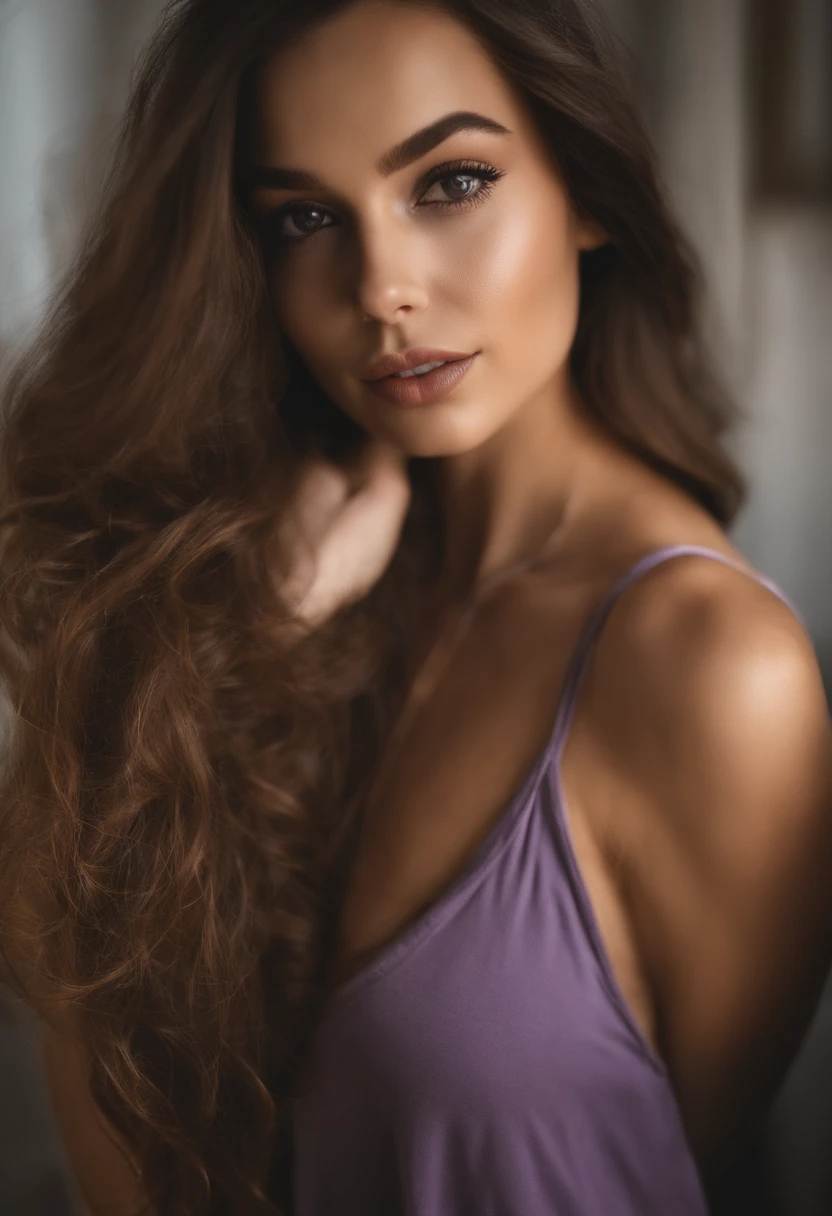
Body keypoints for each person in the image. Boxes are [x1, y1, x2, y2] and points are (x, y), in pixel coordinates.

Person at [0, 0, 830, 1212]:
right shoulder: (284, 585)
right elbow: (133, 1163)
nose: (382, 286)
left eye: (450, 182)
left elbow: (641, 1171)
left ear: (587, 192)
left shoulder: (712, 670)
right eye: (305, 218)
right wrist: (240, 653)